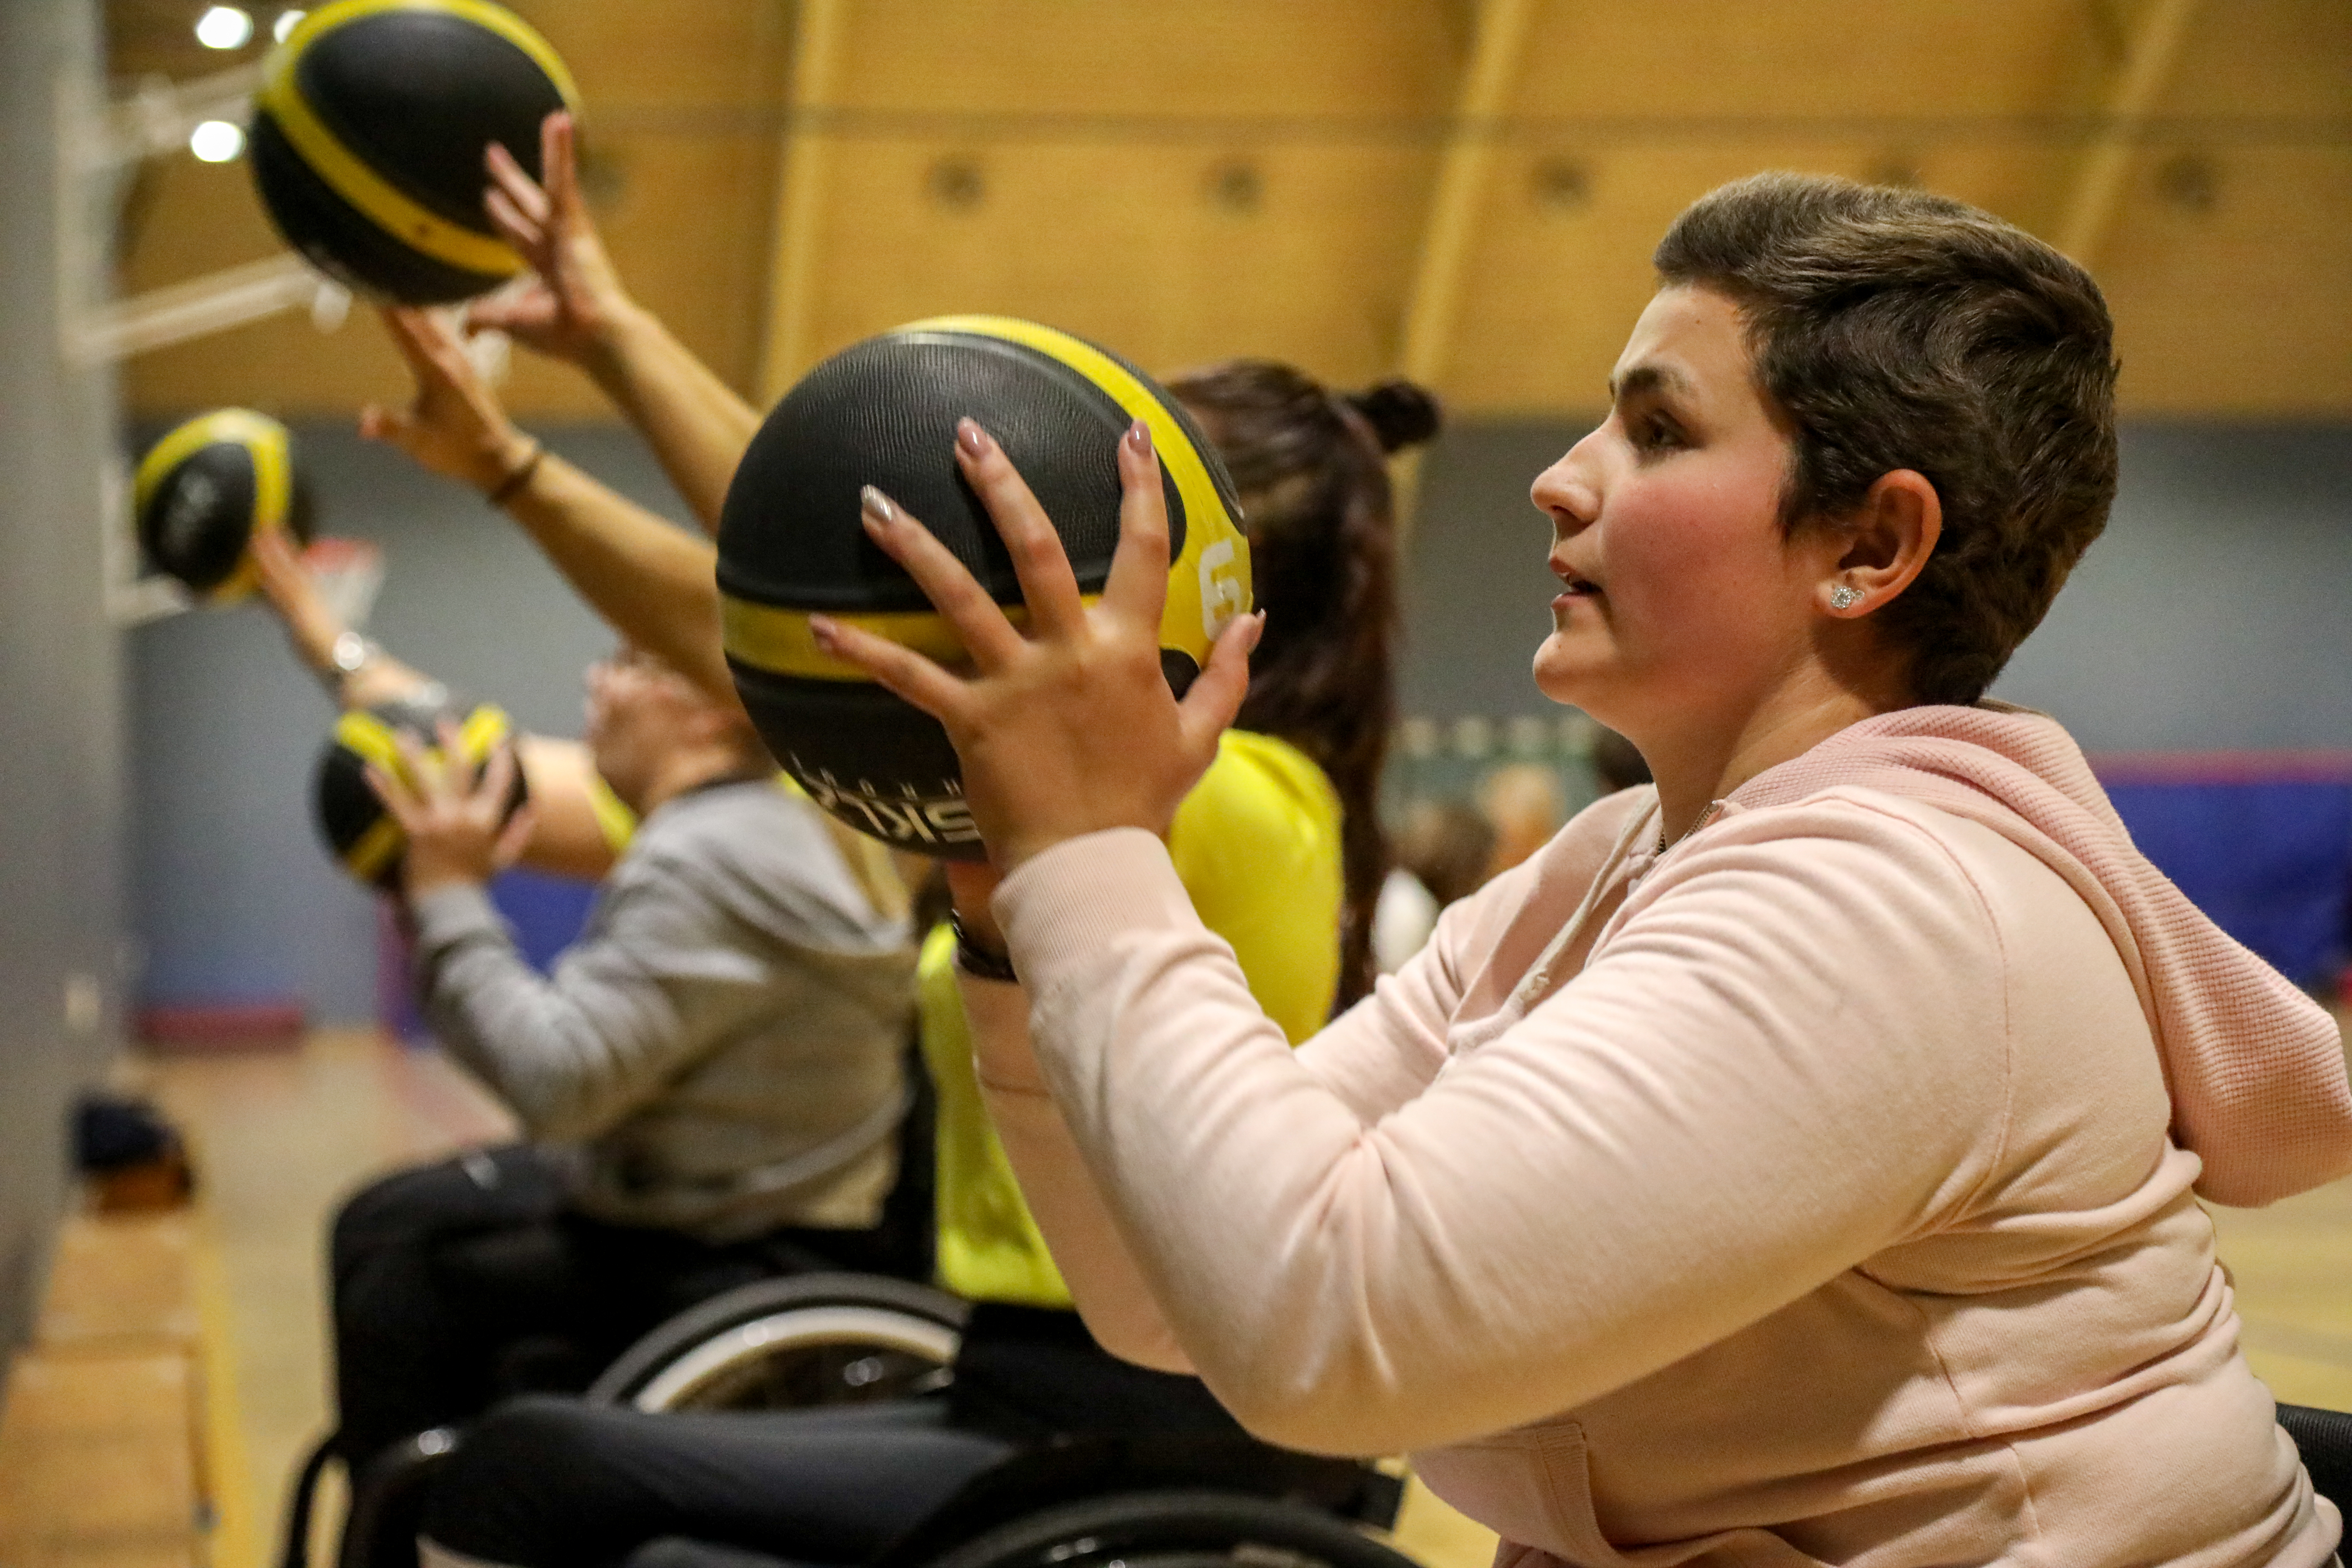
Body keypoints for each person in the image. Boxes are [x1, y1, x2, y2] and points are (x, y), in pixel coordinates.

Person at [818, 172, 2352, 1566]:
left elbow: (1325, 1332)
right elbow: (1171, 1300)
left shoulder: (1893, 908)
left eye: (1660, 429)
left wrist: (1090, 849)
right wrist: (1009, 891)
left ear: (1871, 547)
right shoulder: (1611, 863)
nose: (1561, 478)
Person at [250, 495, 922, 1475]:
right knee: (387, 1218)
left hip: (737, 1251)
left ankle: (413, 1525)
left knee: (404, 1274)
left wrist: (445, 897)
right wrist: (325, 636)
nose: (594, 686)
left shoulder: (712, 855)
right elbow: (459, 751)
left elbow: (556, 1087)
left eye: (626, 664)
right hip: (727, 1212)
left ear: (706, 703)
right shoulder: (758, 822)